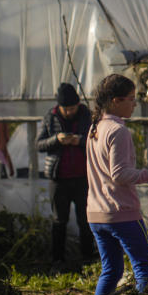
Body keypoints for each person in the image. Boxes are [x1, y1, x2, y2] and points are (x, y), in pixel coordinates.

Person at [85, 74, 148, 295]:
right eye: (131, 99)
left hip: (97, 214)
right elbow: (120, 174)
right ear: (116, 101)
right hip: (121, 212)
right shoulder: (118, 131)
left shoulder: (95, 128)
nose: (135, 104)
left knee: (111, 270)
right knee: (144, 268)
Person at [36, 82, 95, 267]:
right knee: (59, 221)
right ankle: (58, 260)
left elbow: (98, 142)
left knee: (85, 220)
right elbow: (39, 144)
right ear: (59, 107)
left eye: (72, 108)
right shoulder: (50, 117)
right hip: (58, 178)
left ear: (78, 104)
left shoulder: (88, 116)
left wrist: (79, 140)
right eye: (65, 109)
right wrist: (57, 140)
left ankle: (87, 257)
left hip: (83, 178)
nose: (69, 112)